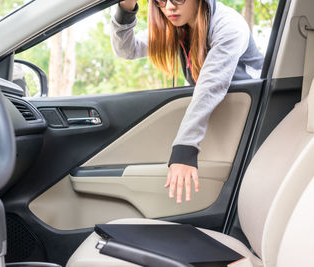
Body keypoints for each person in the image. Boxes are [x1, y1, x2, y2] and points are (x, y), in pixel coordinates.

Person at [111, 0, 264, 204]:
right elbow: (127, 50)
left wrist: (185, 148)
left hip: (252, 120)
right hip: (221, 122)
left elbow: (210, 87)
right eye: (161, 1)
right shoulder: (177, 27)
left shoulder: (229, 26)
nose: (169, 7)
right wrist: (126, 9)